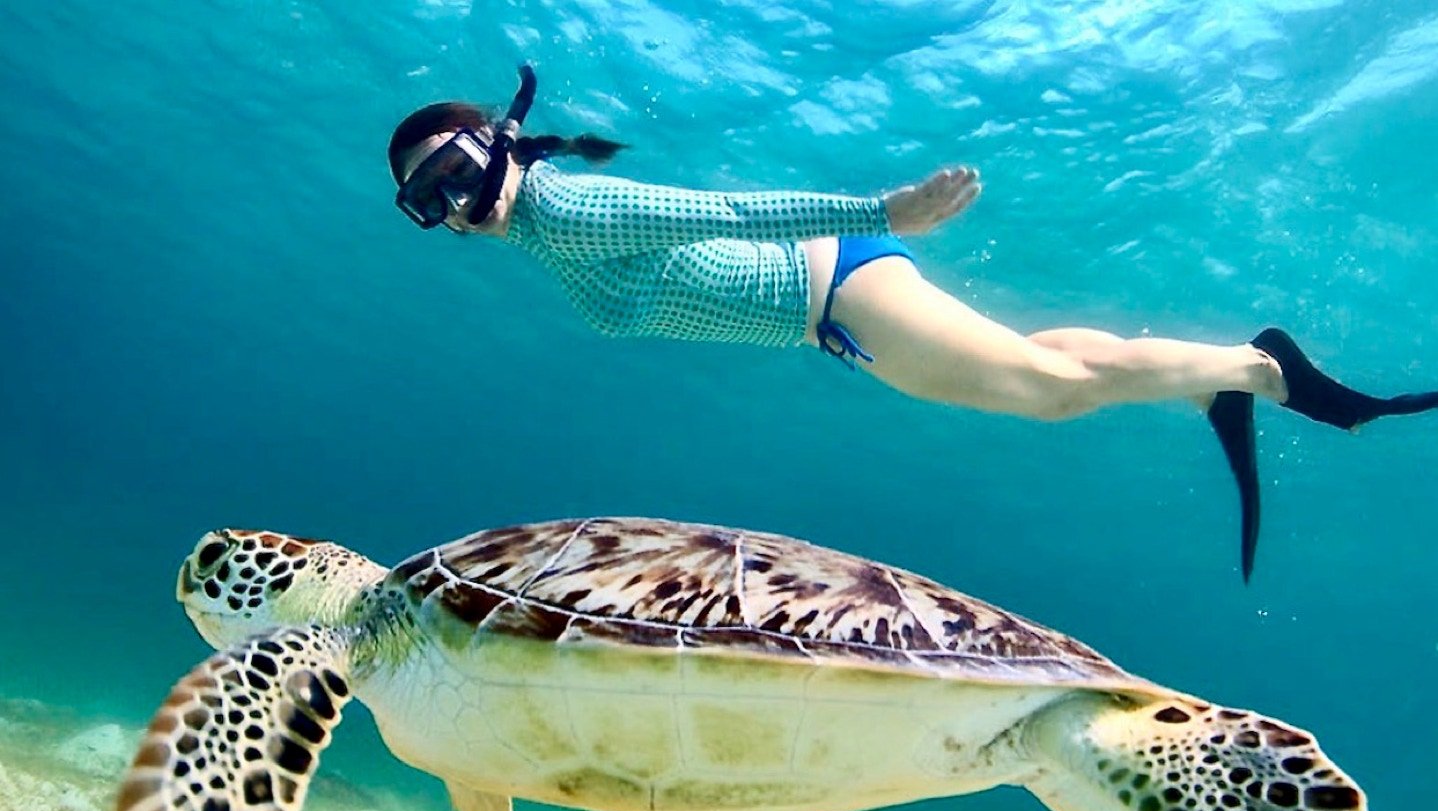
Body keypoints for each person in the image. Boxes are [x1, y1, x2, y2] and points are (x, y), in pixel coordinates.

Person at [388, 67, 1438, 581]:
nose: (455, 203)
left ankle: (1260, 372)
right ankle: (1215, 378)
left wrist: (884, 211)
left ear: (498, 147)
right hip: (832, 308)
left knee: (1049, 396)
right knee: (1039, 366)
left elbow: (725, 213)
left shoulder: (567, 210)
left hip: (833, 291)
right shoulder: (545, 230)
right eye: (427, 200)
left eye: (455, 171)